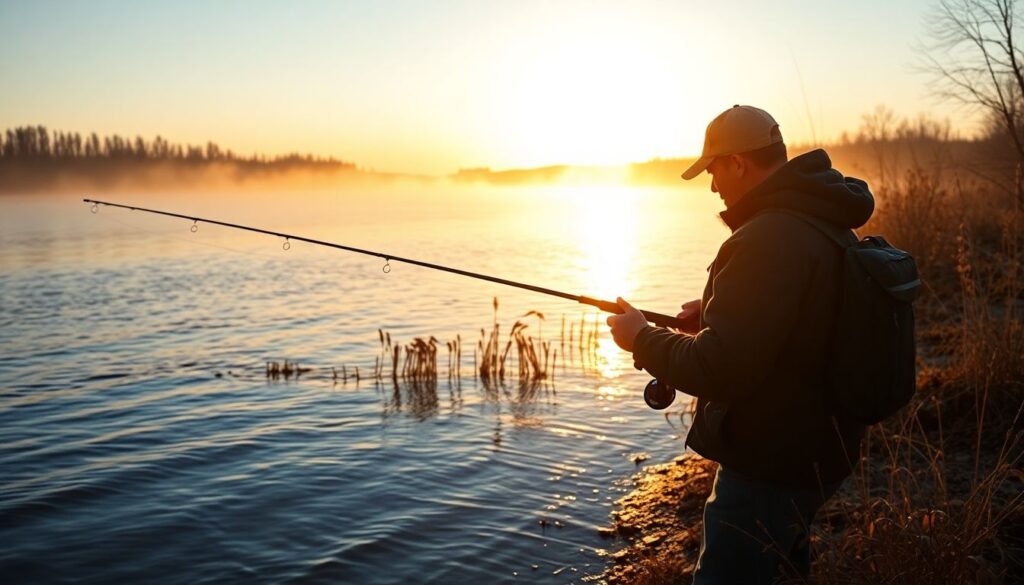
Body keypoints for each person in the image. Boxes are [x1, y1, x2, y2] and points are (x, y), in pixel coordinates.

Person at [606, 105, 871, 584]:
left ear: (737, 163)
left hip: (771, 460)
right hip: (819, 449)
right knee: (784, 571)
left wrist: (641, 338)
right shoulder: (818, 215)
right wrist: (712, 310)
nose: (711, 185)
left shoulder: (767, 236)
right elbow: (804, 314)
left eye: (712, 170)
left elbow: (719, 369)